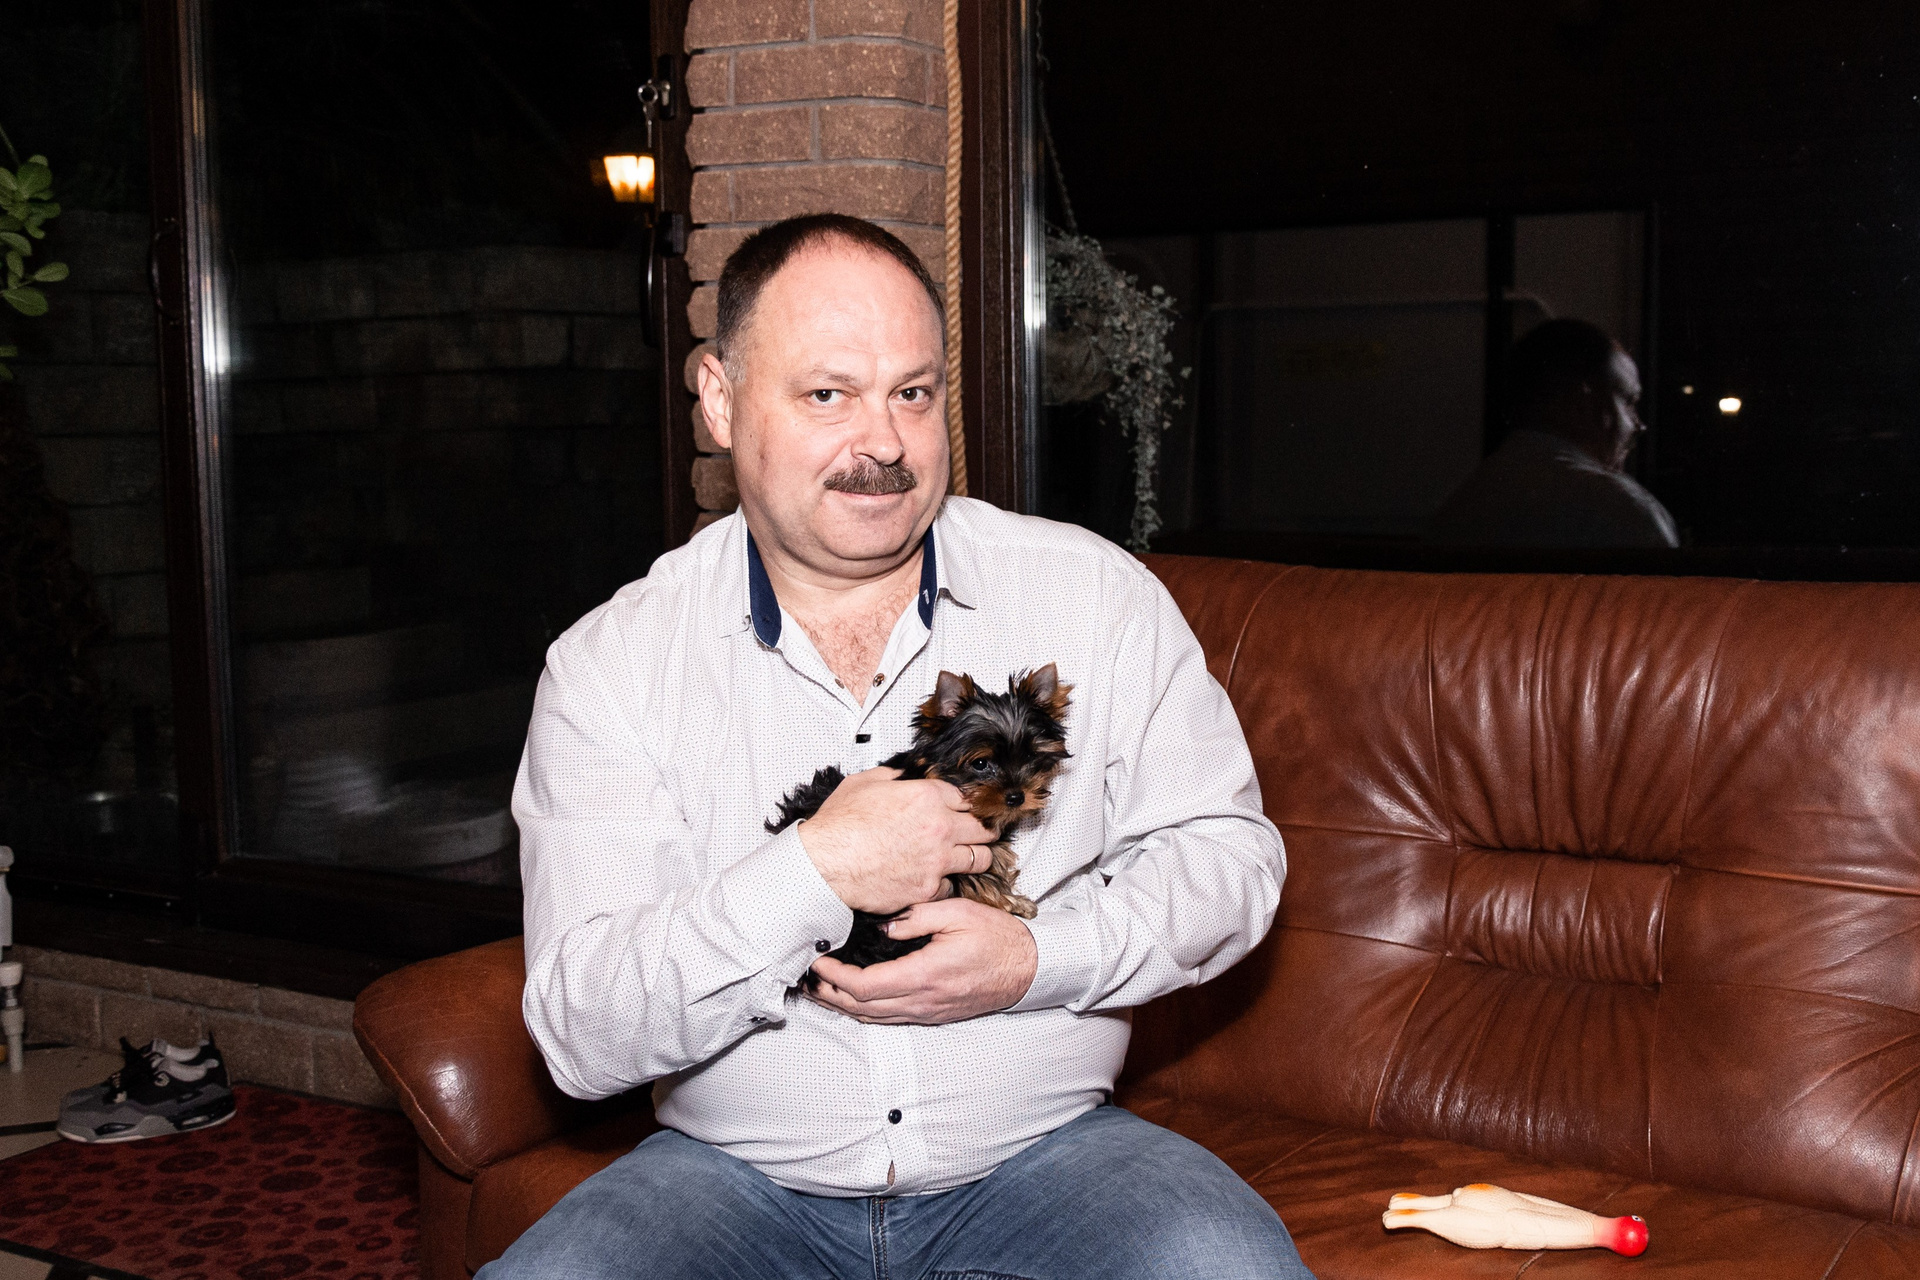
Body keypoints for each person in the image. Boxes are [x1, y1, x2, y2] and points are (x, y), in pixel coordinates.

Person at [482, 214, 1311, 1279]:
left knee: (1229, 1264)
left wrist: (1034, 960)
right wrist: (812, 870)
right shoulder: (611, 665)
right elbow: (581, 1028)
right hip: (730, 1179)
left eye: (912, 393)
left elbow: (1232, 861)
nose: (884, 443)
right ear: (721, 401)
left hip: (1049, 1158)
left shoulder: (1096, 595)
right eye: (829, 395)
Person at [1427, 318, 1679, 548]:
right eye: (1629, 401)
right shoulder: (1625, 510)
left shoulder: (1456, 510)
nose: (1638, 425)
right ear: (1582, 403)